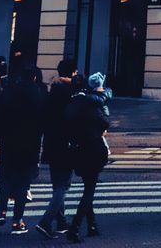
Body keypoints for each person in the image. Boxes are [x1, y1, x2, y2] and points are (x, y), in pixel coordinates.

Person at [0, 64, 45, 234]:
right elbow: (41, 121)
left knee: (5, 178)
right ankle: (17, 220)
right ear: (34, 77)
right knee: (23, 183)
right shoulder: (37, 93)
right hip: (29, 144)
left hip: (8, 142)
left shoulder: (9, 91)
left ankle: (1, 211)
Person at [63, 73, 111, 243]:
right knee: (89, 191)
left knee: (88, 187)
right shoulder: (91, 104)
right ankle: (75, 228)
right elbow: (105, 122)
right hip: (93, 149)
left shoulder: (71, 105)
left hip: (78, 151)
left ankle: (92, 225)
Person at [36, 59, 77, 239]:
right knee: (63, 185)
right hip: (65, 145)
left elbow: (43, 119)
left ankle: (61, 222)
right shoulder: (71, 94)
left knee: (57, 185)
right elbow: (74, 121)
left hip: (51, 144)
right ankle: (46, 222)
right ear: (72, 73)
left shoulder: (52, 92)